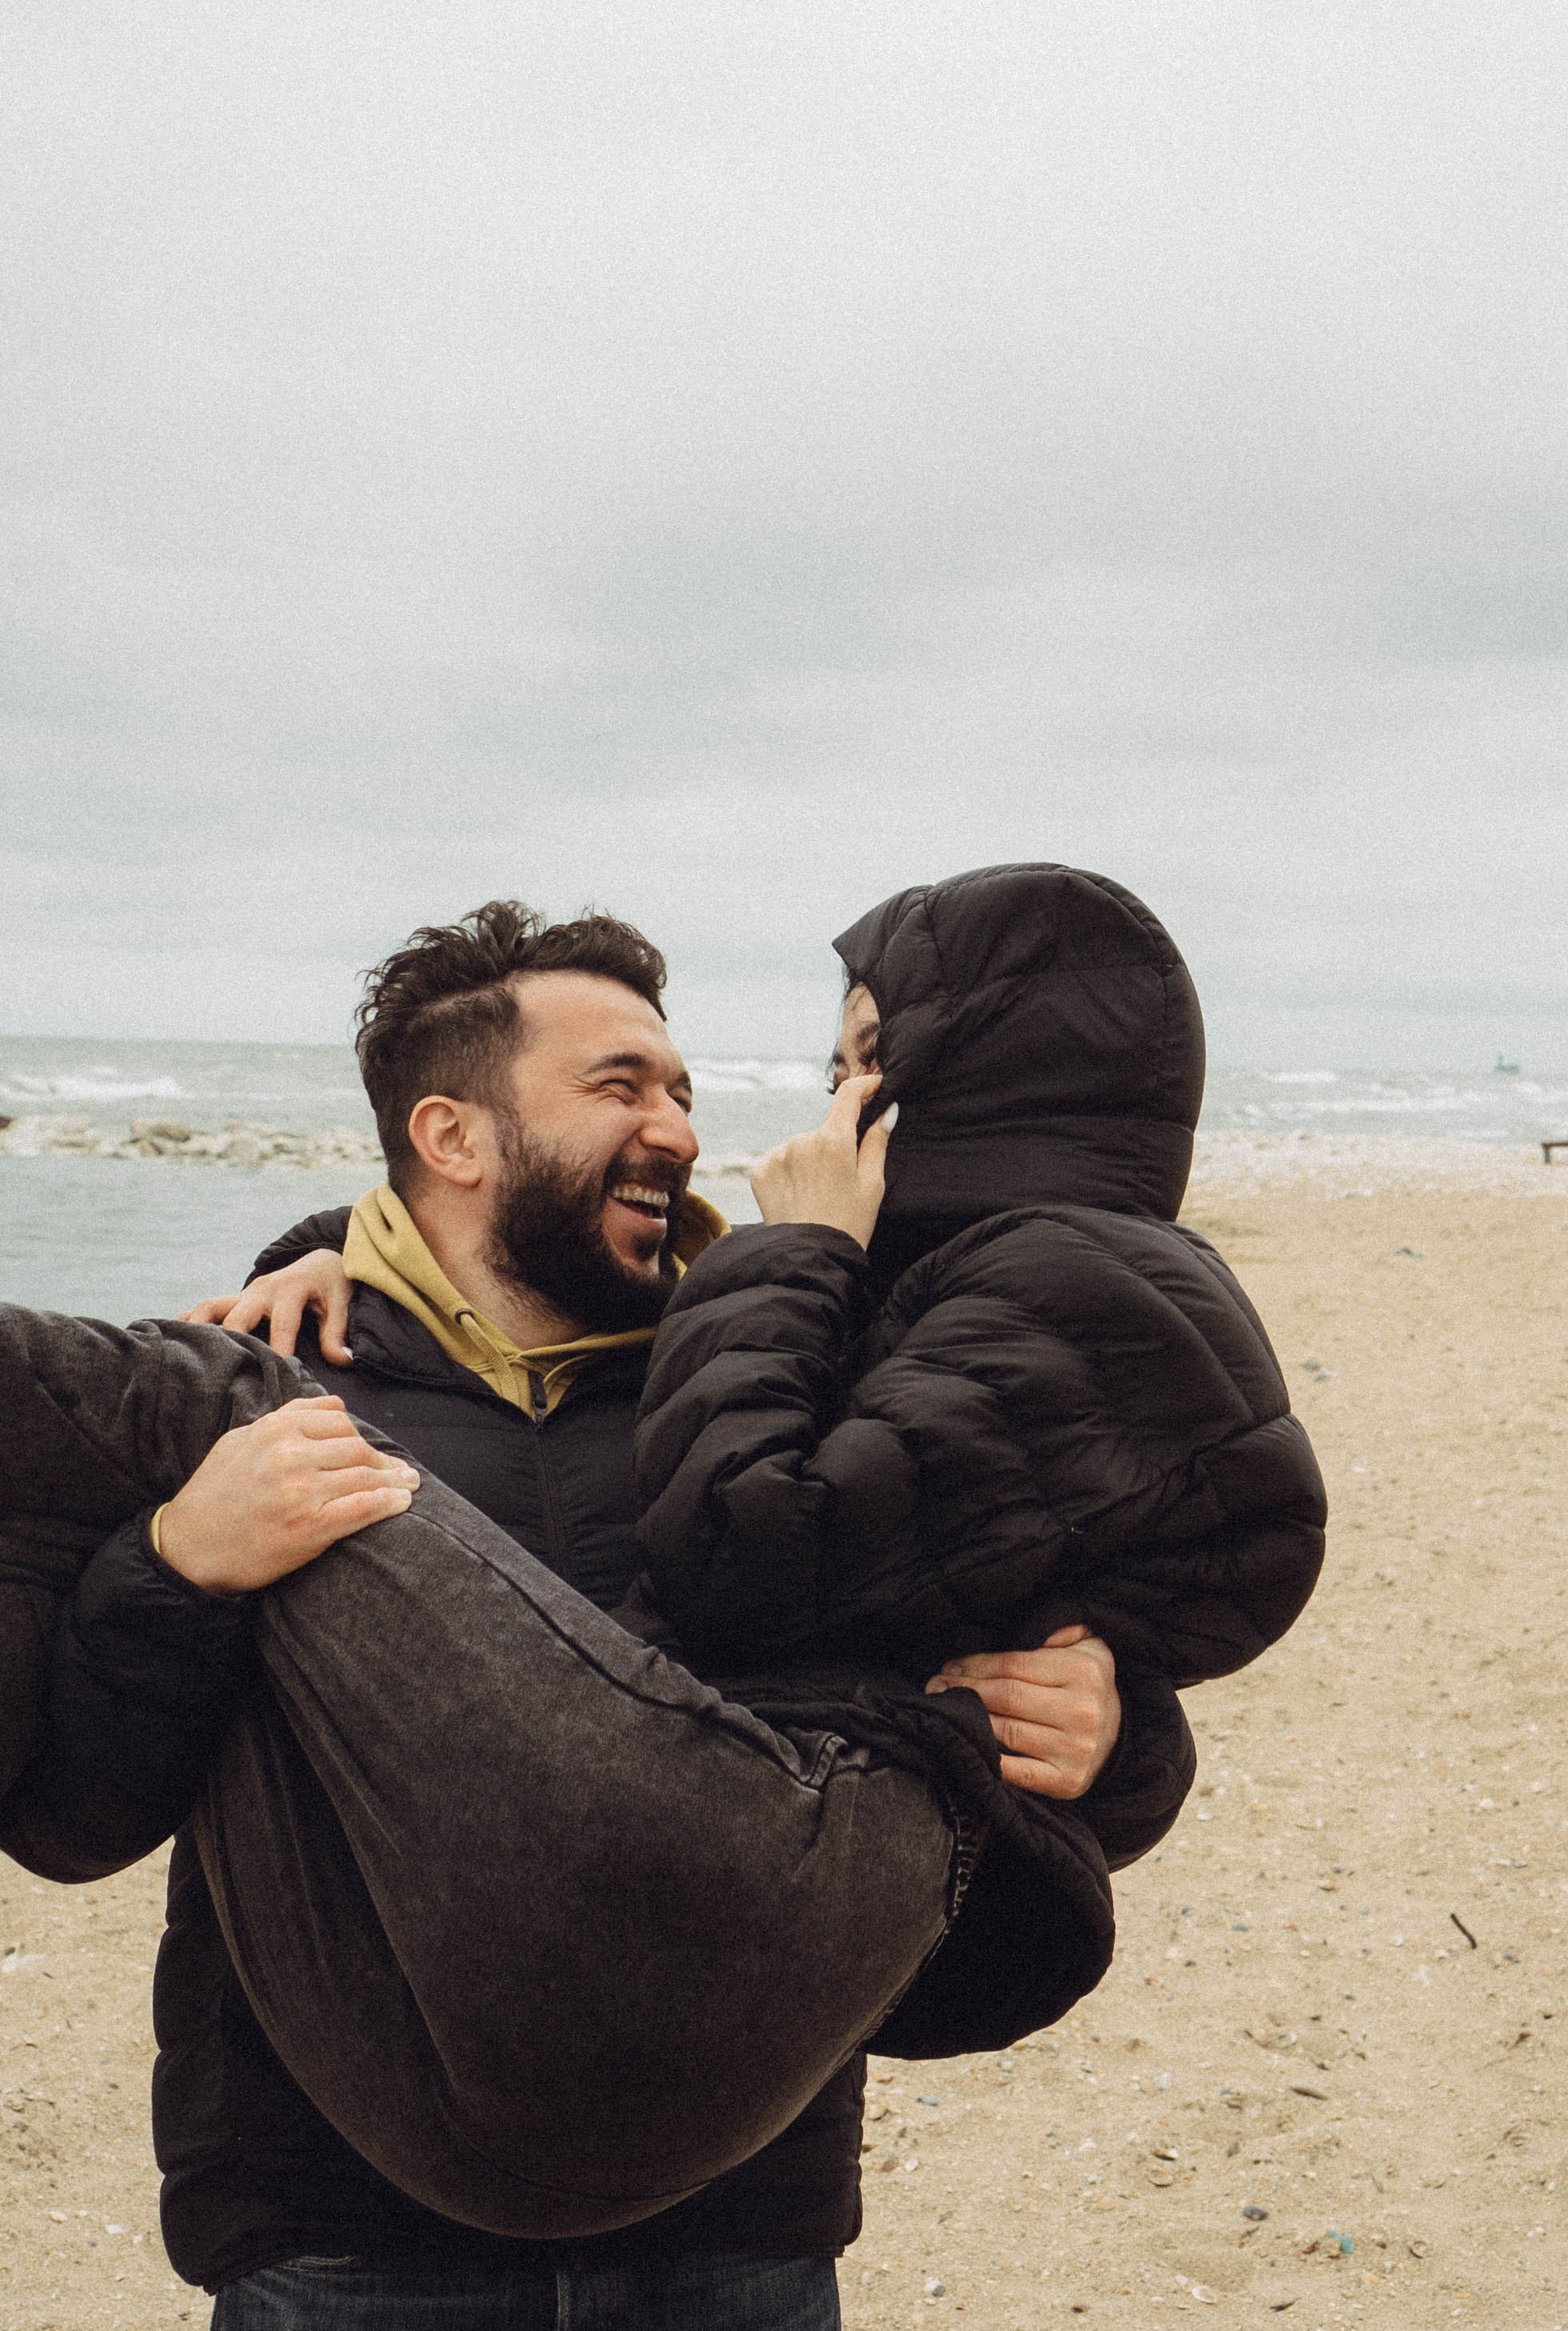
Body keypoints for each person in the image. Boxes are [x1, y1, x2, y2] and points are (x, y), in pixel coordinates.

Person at [0, 866, 1323, 2279]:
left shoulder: (792, 1384)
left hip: (735, 2225)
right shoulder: (271, 1389)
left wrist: (1115, 1728)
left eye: (684, 1090)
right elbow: (75, 1815)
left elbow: (1001, 1650)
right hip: (345, 2226)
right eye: (620, 1087)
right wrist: (176, 1566)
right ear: (451, 1134)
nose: (680, 1131)